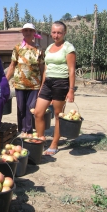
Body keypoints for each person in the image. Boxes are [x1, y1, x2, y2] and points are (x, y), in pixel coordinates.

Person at [34, 21, 76, 156]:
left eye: (59, 33)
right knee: (38, 113)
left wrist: (70, 90)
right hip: (48, 83)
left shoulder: (68, 48)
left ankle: (54, 143)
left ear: (64, 33)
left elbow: (72, 70)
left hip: (61, 83)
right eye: (54, 32)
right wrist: (42, 86)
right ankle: (41, 140)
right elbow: (46, 69)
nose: (56, 35)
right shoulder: (49, 47)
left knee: (58, 116)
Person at [6, 23, 44, 138]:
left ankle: (28, 130)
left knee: (30, 107)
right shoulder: (17, 48)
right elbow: (12, 66)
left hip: (34, 85)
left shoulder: (39, 49)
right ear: (22, 32)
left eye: (30, 31)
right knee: (21, 107)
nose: (28, 33)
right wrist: (5, 81)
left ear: (34, 33)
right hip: (20, 84)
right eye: (25, 30)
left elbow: (42, 68)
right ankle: (22, 130)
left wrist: (43, 84)